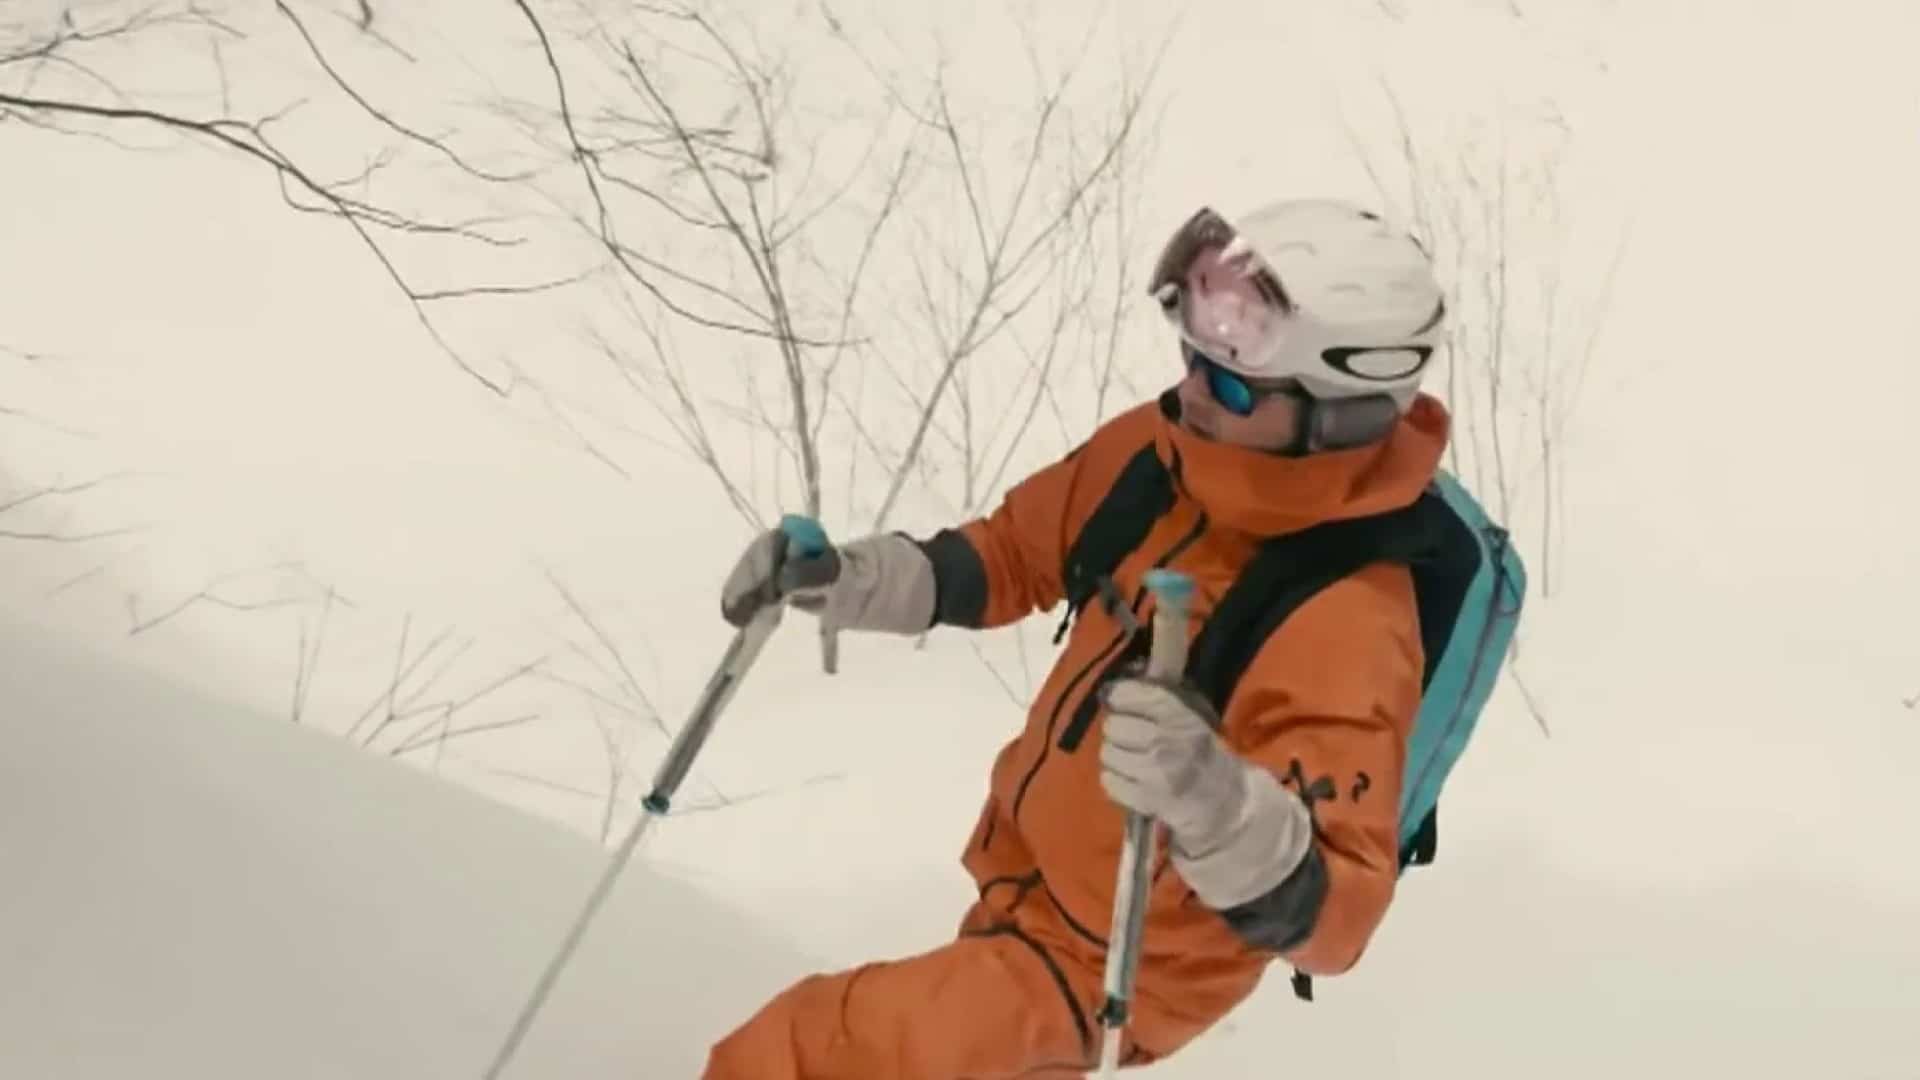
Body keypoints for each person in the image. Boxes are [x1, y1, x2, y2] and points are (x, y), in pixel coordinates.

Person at [705, 196, 1453, 1079]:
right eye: (1194, 360)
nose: (1192, 392)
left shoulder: (1349, 617)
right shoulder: (1166, 454)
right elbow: (1010, 554)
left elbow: (1337, 922)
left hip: (1121, 963)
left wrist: (1213, 799)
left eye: (1232, 385)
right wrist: (845, 579)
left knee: (804, 1053)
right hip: (1027, 886)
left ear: (1342, 415)